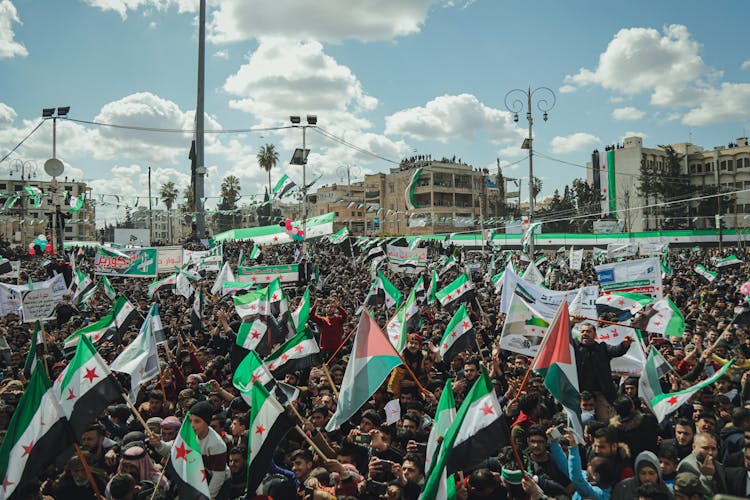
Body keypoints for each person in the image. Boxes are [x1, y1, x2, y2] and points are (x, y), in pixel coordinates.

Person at [571, 319, 633, 421]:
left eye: (588, 331)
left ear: (595, 335)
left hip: (601, 392)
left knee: (605, 420)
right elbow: (564, 337)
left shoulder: (602, 348)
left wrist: (624, 345)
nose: (585, 334)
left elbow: (616, 350)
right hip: (579, 393)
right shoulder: (575, 347)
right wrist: (572, 323)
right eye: (582, 331)